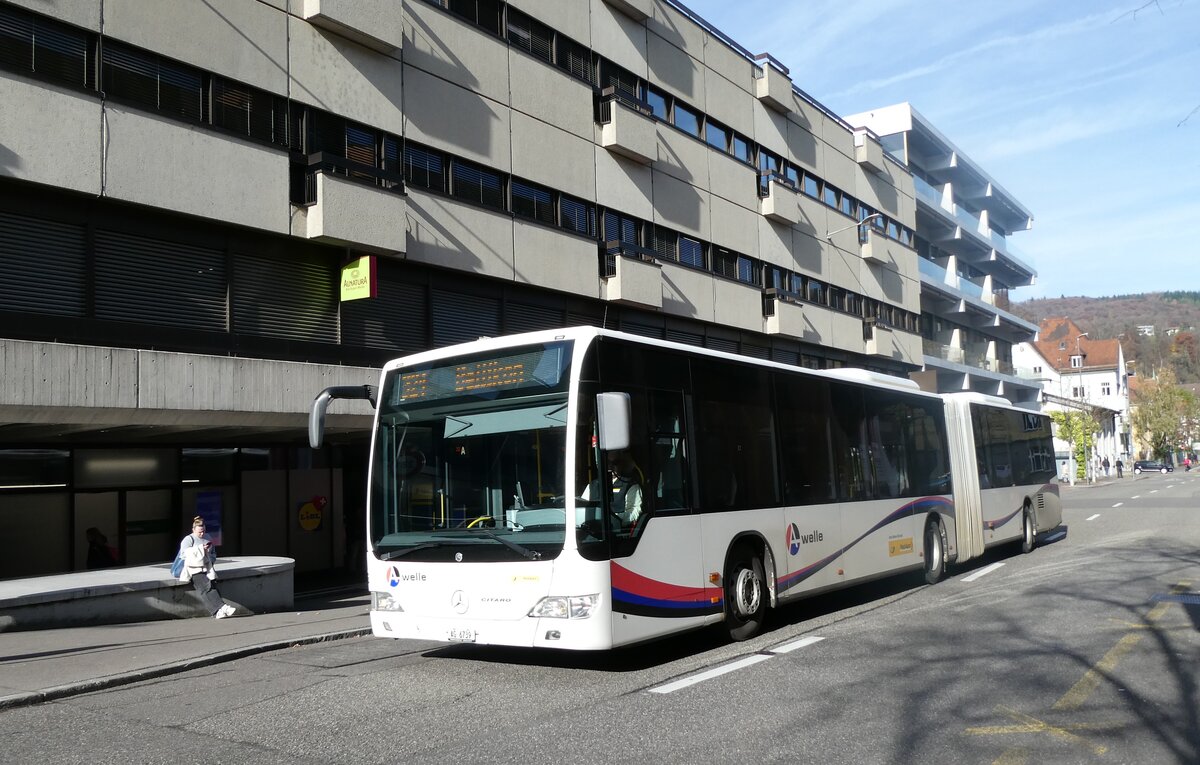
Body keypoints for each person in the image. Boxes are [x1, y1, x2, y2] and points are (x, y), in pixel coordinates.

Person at [177, 516, 235, 619]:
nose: (202, 534)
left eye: (203, 531)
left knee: (209, 588)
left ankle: (216, 612)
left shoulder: (208, 537)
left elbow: (213, 553)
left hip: (207, 567)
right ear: (193, 530)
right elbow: (183, 554)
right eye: (199, 532)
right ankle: (223, 607)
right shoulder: (188, 539)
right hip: (194, 569)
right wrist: (199, 549)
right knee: (207, 587)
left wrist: (211, 559)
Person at [606, 450, 644, 526]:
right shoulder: (593, 485)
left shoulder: (630, 485)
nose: (611, 466)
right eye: (608, 462)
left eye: (615, 462)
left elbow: (634, 511)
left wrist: (614, 518)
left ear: (622, 463)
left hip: (617, 531)